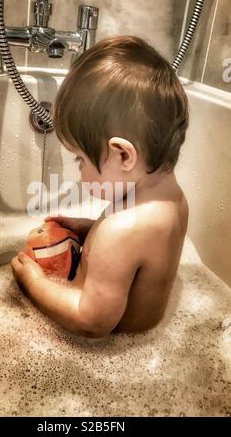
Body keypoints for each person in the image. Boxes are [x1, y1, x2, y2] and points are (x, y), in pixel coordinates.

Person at [11, 36, 189, 338]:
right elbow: (141, 253)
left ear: (123, 155)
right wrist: (90, 228)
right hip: (143, 342)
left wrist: (34, 284)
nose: (79, 171)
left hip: (104, 353)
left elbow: (91, 321)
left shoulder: (119, 232)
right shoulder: (172, 201)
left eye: (80, 159)